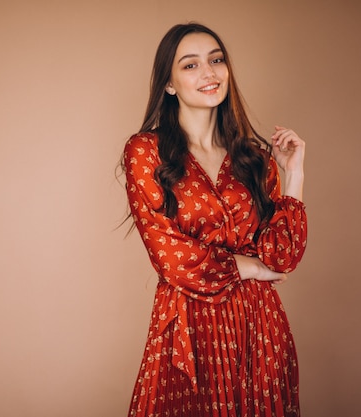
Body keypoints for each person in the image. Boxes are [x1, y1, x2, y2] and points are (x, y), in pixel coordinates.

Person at [122, 23, 307, 416]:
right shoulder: (146, 152)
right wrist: (249, 268)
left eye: (217, 60)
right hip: (189, 327)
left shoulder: (254, 159)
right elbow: (170, 257)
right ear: (169, 84)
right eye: (190, 65)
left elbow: (283, 257)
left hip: (260, 328)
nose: (209, 73)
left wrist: (293, 176)